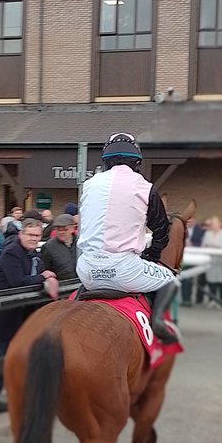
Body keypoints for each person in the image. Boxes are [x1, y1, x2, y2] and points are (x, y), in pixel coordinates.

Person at [75, 132, 178, 343]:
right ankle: (157, 322)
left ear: (106, 162)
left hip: (86, 270)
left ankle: (74, 305)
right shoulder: (145, 187)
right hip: (124, 270)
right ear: (136, 162)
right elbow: (161, 232)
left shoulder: (89, 185)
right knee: (171, 280)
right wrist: (152, 254)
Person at [0, 218, 58, 413]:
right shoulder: (12, 252)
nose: (34, 239)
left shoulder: (33, 254)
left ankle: (10, 394)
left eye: (37, 236)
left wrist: (46, 278)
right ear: (21, 234)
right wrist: (43, 277)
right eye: (30, 235)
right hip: (1, 311)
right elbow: (17, 282)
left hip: (18, 311)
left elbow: (39, 274)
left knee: (13, 354)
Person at [201, 217, 222, 307]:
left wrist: (216, 245)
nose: (213, 225)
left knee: (221, 280)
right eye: (212, 224)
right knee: (211, 281)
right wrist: (207, 245)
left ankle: (221, 299)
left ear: (219, 224)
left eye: (215, 223)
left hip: (221, 260)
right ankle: (212, 300)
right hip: (210, 260)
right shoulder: (207, 233)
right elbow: (203, 245)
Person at [41, 213, 78, 281]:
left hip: (82, 282)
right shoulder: (48, 247)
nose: (61, 232)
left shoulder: (80, 243)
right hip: (62, 284)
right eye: (58, 229)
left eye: (65, 229)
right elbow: (45, 270)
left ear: (72, 228)